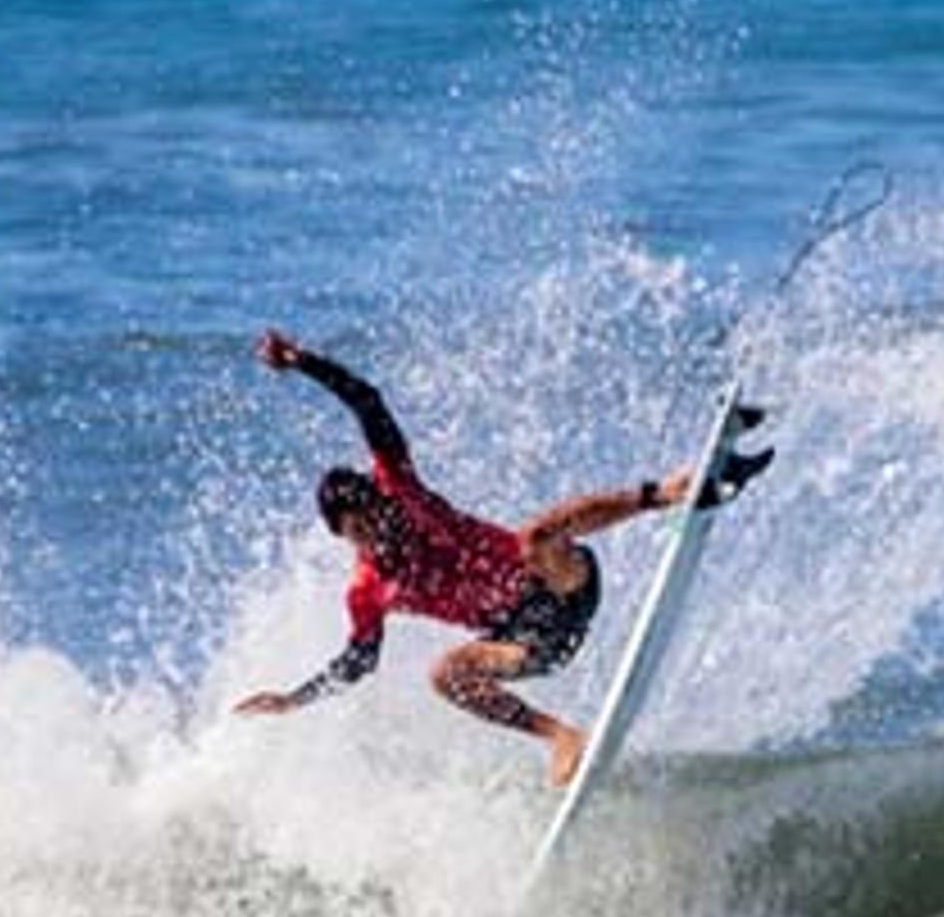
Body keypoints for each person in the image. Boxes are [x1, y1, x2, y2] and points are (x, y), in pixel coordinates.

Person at [234, 329, 767, 785]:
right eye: (359, 530)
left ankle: (673, 492)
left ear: (378, 496)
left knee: (534, 537)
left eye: (373, 514)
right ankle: (561, 738)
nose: (375, 530)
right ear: (342, 536)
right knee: (444, 674)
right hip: (528, 642)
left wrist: (303, 362)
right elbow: (360, 661)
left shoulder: (399, 486)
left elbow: (367, 401)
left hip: (560, 580)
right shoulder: (367, 589)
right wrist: (293, 699)